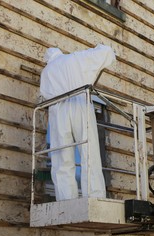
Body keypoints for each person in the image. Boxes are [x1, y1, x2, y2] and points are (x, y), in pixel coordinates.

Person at [40, 44, 116, 201]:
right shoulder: (73, 59)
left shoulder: (47, 71)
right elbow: (106, 51)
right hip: (79, 102)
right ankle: (94, 196)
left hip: (58, 109)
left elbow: (45, 95)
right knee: (89, 152)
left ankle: (65, 198)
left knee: (61, 156)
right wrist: (100, 49)